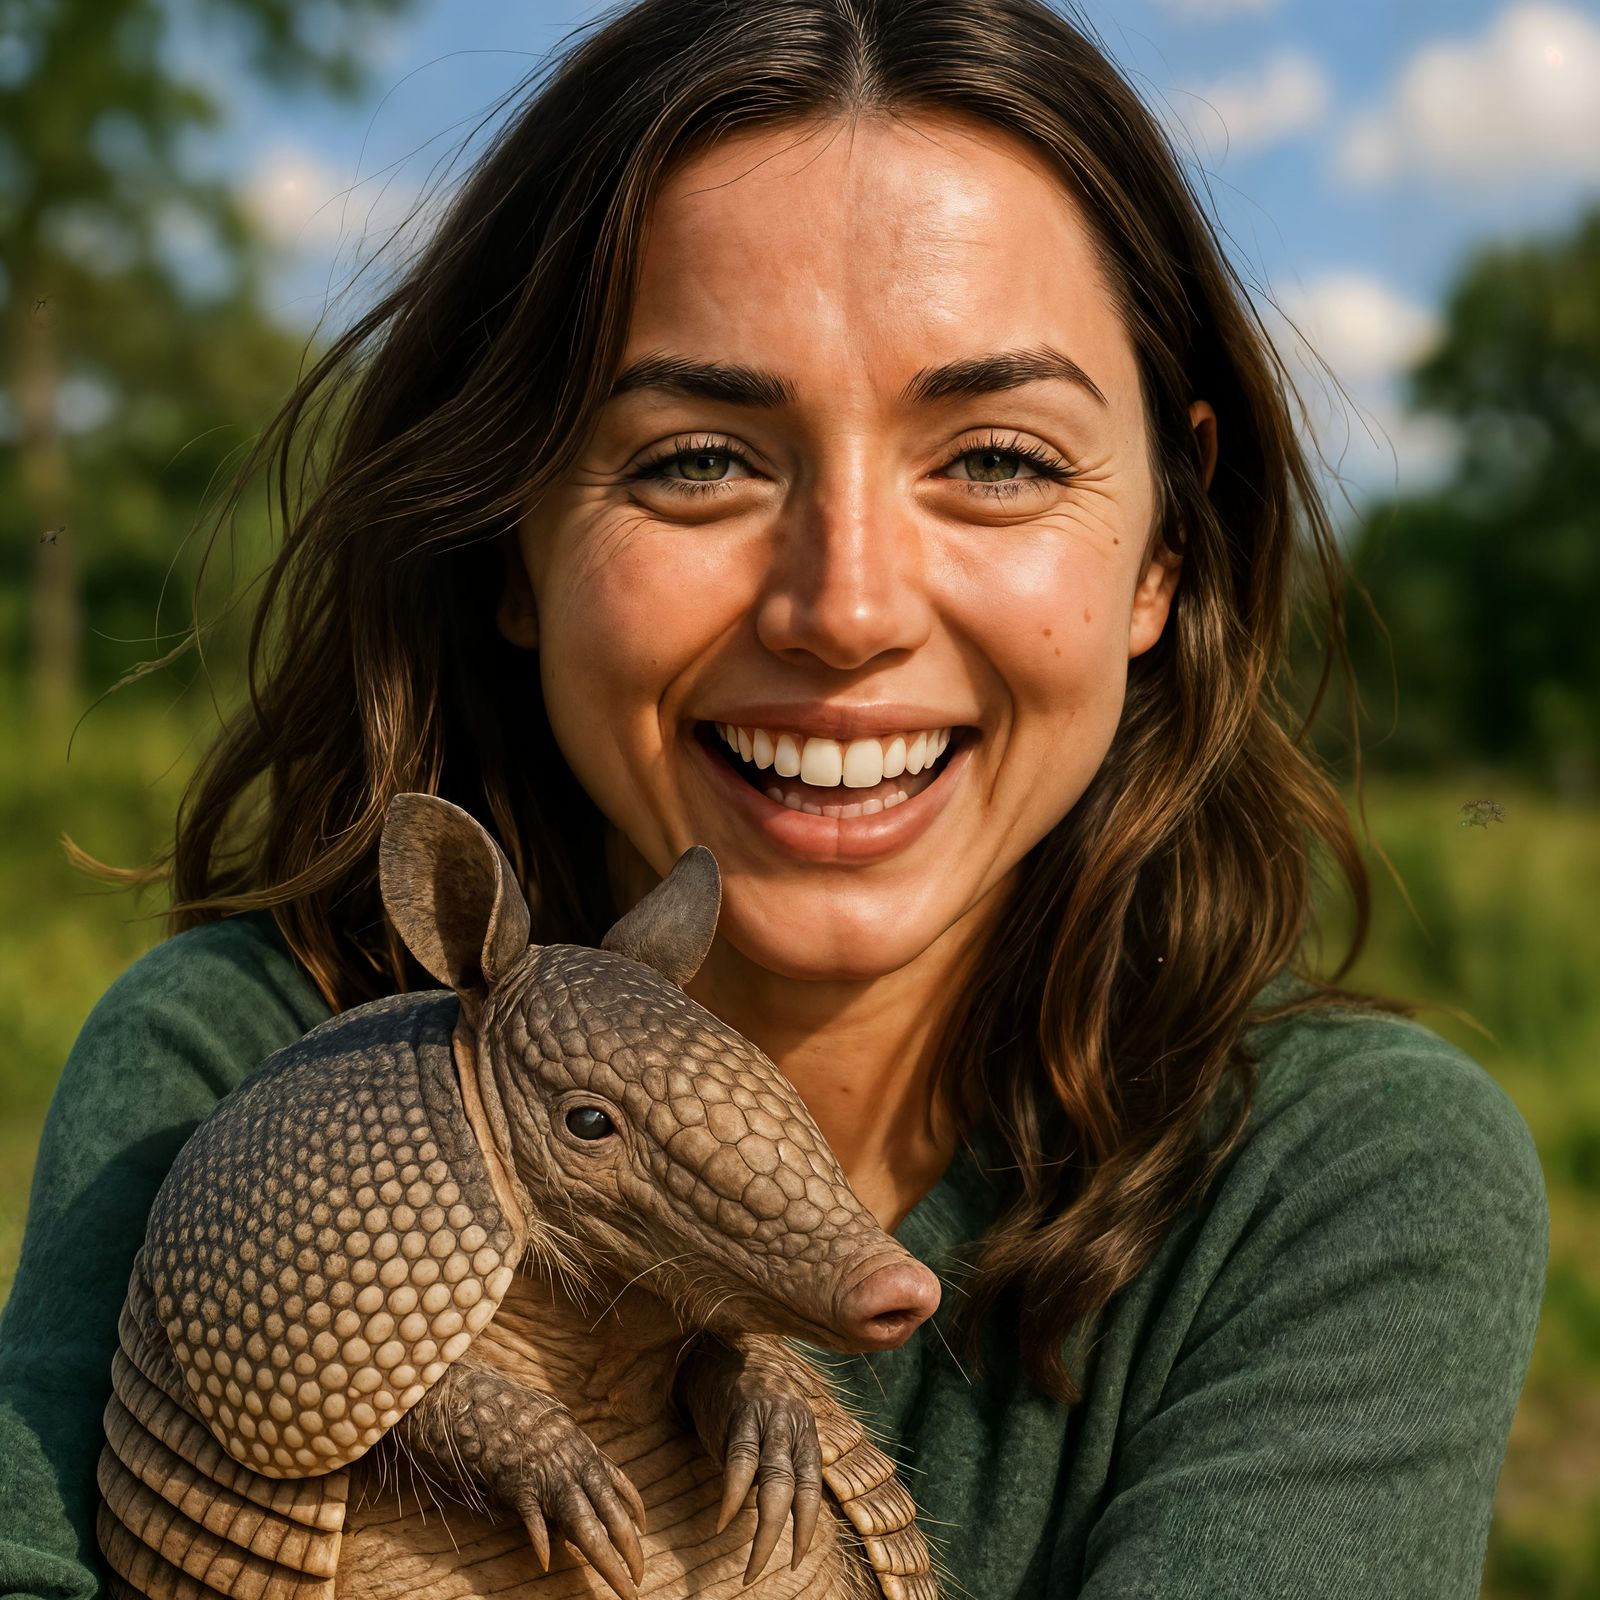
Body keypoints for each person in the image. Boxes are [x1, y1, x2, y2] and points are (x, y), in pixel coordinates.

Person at [0, 1, 1547, 1595]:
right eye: (695, 458)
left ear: (1165, 547)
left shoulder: (1342, 1177)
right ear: (509, 547)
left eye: (1002, 458)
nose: (849, 607)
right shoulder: (233, 1067)